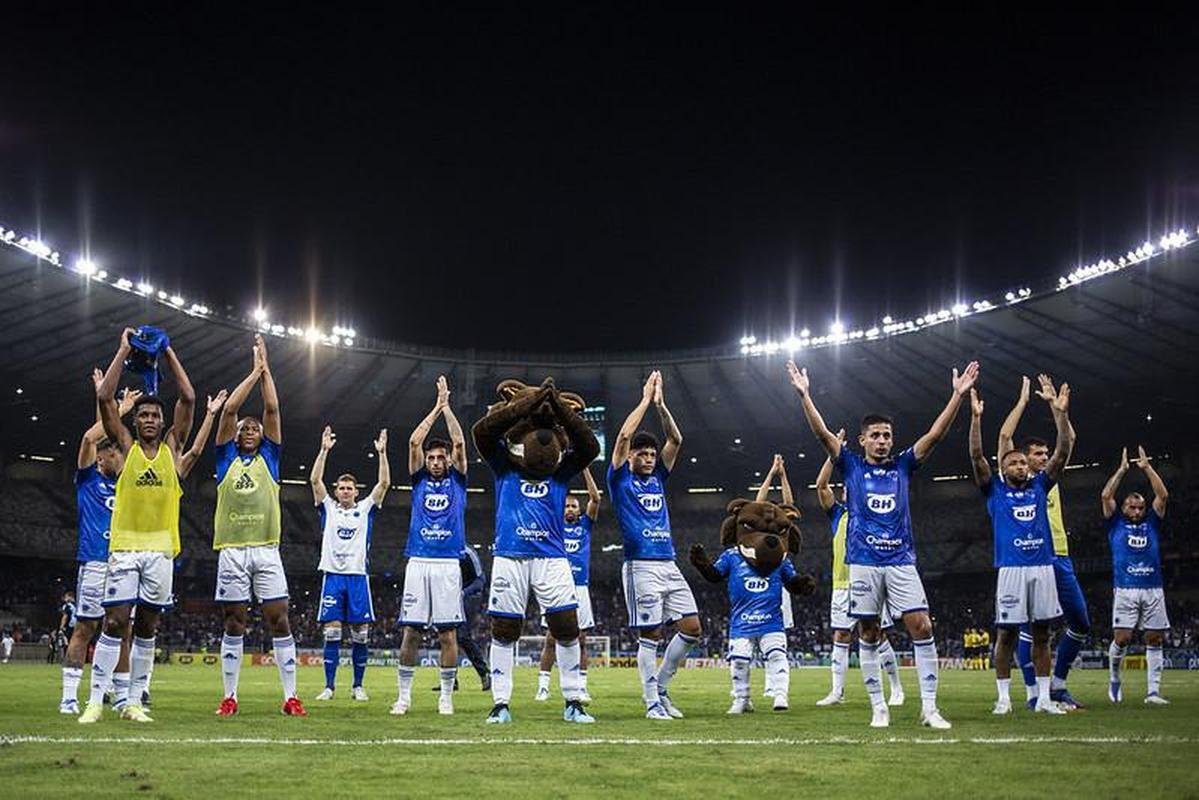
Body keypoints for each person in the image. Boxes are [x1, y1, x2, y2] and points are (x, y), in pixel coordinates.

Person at [787, 359, 979, 729]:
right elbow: (822, 435)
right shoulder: (852, 466)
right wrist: (805, 396)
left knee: (921, 626)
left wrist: (956, 396)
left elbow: (935, 436)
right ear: (862, 440)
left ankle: (929, 708)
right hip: (863, 561)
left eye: (887, 435)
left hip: (901, 559)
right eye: (874, 435)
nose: (881, 441)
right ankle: (879, 707)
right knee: (870, 632)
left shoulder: (903, 465)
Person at [79, 329, 216, 724]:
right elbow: (105, 398)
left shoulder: (174, 451)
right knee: (116, 621)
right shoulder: (124, 448)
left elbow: (188, 398)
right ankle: (96, 700)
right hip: (124, 547)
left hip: (161, 550)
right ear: (135, 422)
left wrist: (168, 349)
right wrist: (123, 350)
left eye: (156, 414)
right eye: (145, 415)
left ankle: (134, 701)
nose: (151, 419)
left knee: (149, 625)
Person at [472, 378, 600, 725]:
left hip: (552, 559)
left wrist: (555, 405)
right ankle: (500, 703)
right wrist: (528, 405)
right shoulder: (503, 466)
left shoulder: (561, 474)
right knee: (504, 631)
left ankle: (573, 700)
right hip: (509, 557)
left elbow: (589, 448)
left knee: (567, 626)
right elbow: (482, 433)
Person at [968, 383, 1073, 715]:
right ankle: (1003, 698)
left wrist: (1060, 414)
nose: (1020, 467)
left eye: (1022, 463)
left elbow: (1063, 452)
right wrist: (975, 419)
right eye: (1013, 463)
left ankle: (1043, 699)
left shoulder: (1041, 485)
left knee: (1043, 636)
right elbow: (976, 456)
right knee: (1006, 635)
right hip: (1011, 570)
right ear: (1004, 469)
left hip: (1042, 567)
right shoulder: (994, 490)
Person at [211, 335, 301, 718]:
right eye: (244, 428)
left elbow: (272, 407)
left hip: (266, 547)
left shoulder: (271, 459)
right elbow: (230, 408)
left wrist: (268, 373)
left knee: (279, 618)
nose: (249, 429)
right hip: (231, 548)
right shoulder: (224, 458)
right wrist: (254, 371)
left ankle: (290, 697)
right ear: (235, 435)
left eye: (255, 428)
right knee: (235, 620)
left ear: (263, 437)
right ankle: (230, 696)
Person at [609, 371, 699, 721]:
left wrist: (661, 406)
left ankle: (661, 688)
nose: (648, 458)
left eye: (650, 454)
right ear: (630, 457)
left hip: (668, 563)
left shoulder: (659, 476)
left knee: (692, 629)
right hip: (640, 565)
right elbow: (623, 437)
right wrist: (645, 400)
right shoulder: (619, 479)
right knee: (652, 634)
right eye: (642, 454)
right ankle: (651, 704)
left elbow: (676, 439)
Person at [998, 375, 1089, 709]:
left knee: (1080, 620)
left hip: (1059, 556)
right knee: (1029, 628)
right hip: (1028, 558)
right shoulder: (1015, 480)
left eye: (1043, 454)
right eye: (1036, 453)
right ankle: (1035, 692)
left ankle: (1058, 684)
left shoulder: (1047, 480)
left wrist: (1057, 409)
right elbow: (1005, 436)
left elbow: (1068, 441)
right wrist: (1022, 403)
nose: (1041, 457)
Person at [392, 376, 468, 716]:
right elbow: (412, 442)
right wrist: (436, 406)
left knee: (448, 635)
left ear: (449, 460)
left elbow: (460, 443)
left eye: (441, 457)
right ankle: (404, 697)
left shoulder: (459, 481)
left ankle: (446, 697)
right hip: (418, 561)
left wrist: (449, 409)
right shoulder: (419, 478)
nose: (436, 461)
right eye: (432, 457)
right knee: (411, 632)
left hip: (448, 563)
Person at [811, 438, 904, 707]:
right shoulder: (838, 516)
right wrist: (833, 452)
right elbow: (821, 486)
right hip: (842, 585)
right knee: (841, 635)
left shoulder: (874, 515)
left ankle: (896, 688)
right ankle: (837, 692)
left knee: (879, 633)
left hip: (871, 580)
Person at [310, 425, 389, 707]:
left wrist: (382, 454)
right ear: (337, 490)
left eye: (349, 488)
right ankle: (329, 686)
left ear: (356, 491)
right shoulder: (328, 507)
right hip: (332, 576)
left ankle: (357, 686)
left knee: (360, 634)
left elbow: (383, 485)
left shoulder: (365, 508)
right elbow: (314, 480)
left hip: (357, 577)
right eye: (341, 488)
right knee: (332, 631)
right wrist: (323, 450)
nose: (345, 491)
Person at [1102, 446, 1171, 705]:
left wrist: (1147, 468)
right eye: (1131, 507)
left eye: (1140, 507)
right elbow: (1106, 495)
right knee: (1123, 638)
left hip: (1153, 587)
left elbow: (1162, 495)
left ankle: (1153, 692)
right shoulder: (1115, 523)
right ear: (1124, 508)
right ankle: (1114, 680)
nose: (1137, 511)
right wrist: (1121, 471)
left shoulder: (1152, 522)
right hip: (1125, 588)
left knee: (1154, 638)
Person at [536, 467, 600, 705]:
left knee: (581, 640)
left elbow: (596, 498)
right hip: (557, 585)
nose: (570, 509)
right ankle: (543, 686)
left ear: (579, 510)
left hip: (581, 587)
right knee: (551, 639)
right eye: (566, 505)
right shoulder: (553, 527)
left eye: (574, 506)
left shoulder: (585, 526)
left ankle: (581, 687)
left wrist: (583, 468)